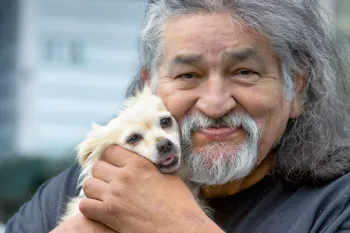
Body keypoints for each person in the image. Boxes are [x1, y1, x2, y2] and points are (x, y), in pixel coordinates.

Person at [6, 0, 350, 232]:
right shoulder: (90, 184)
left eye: (244, 72)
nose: (215, 105)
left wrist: (175, 222)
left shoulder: (338, 204)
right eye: (188, 75)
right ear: (151, 87)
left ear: (297, 91)